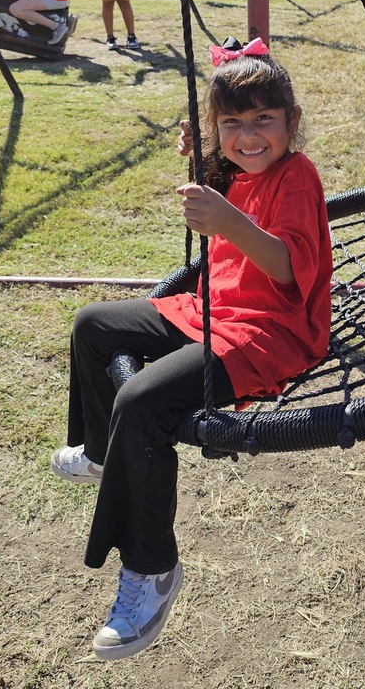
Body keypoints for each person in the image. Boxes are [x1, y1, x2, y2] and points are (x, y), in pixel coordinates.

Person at [49, 39, 333, 660]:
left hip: (272, 329)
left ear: (292, 122)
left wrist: (230, 222)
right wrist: (202, 157)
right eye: (232, 123)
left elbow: (288, 270)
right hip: (215, 306)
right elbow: (223, 170)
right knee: (93, 325)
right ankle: (103, 452)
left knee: (144, 399)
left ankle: (152, 569)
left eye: (264, 120)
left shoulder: (298, 177)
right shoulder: (235, 165)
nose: (249, 136)